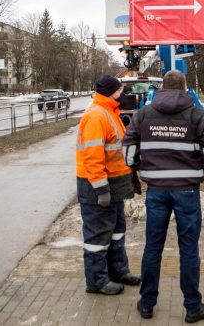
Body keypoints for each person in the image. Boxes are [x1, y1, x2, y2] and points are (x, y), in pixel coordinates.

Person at [122, 70, 204, 323]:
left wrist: (144, 168)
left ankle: (146, 304)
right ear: (184, 88)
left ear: (162, 88)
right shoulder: (197, 115)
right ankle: (192, 307)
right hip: (187, 191)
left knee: (153, 247)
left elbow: (128, 155)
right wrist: (196, 170)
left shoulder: (144, 114)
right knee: (188, 249)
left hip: (156, 190)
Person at [75, 75, 141, 295]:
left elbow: (117, 153)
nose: (122, 94)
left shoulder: (110, 113)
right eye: (119, 90)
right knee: (98, 237)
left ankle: (118, 271)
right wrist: (101, 190)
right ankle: (96, 281)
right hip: (98, 189)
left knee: (116, 232)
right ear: (112, 92)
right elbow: (93, 158)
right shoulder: (96, 116)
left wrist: (131, 178)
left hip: (114, 187)